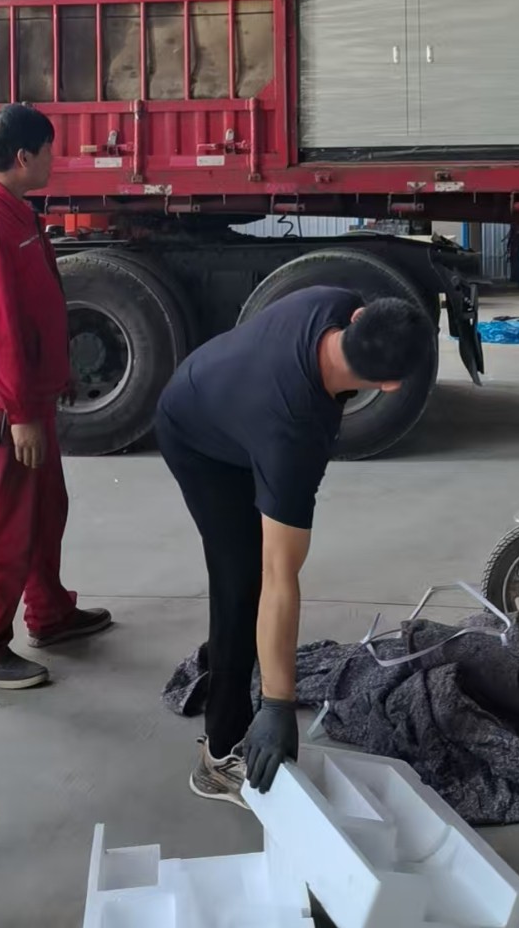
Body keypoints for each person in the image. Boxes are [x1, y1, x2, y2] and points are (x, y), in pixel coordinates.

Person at [155, 285, 435, 803]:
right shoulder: (294, 436)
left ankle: (237, 660)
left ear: (359, 316)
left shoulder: (332, 300)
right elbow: (279, 576)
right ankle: (219, 756)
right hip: (195, 435)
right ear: (390, 385)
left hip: (226, 396)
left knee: (253, 579)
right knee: (242, 582)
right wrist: (278, 706)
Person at [0, 104, 111, 689]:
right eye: (49, 150)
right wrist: (18, 412)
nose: (54, 160)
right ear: (23, 157)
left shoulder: (13, 210)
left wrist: (49, 382)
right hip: (0, 407)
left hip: (26, 397)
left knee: (43, 512)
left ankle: (50, 613)